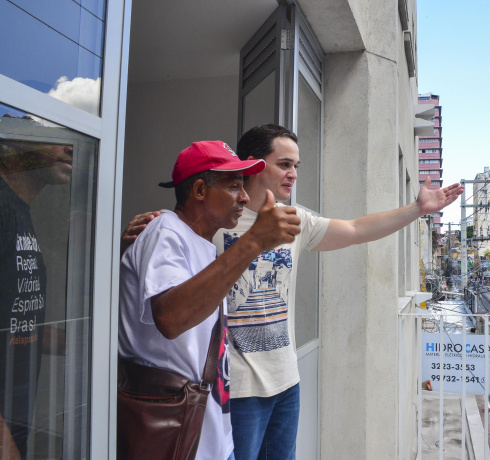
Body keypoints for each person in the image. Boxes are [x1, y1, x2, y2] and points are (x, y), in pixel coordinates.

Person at [124, 125, 464, 460]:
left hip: (284, 380)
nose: (293, 174)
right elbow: (169, 283)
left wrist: (417, 209)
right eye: (284, 164)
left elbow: (357, 229)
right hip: (233, 388)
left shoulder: (290, 219)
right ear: (256, 164)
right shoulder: (208, 224)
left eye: (296, 166)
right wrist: (150, 228)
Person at [118, 140, 301, 460]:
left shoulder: (202, 244)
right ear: (200, 190)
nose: (244, 197)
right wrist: (255, 240)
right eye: (234, 186)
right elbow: (171, 319)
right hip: (173, 436)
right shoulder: (164, 230)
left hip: (209, 434)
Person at [1, 138, 73, 459]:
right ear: (10, 140)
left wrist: (92, 346)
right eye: (54, 136)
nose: (70, 146)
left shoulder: (20, 212)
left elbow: (19, 327)